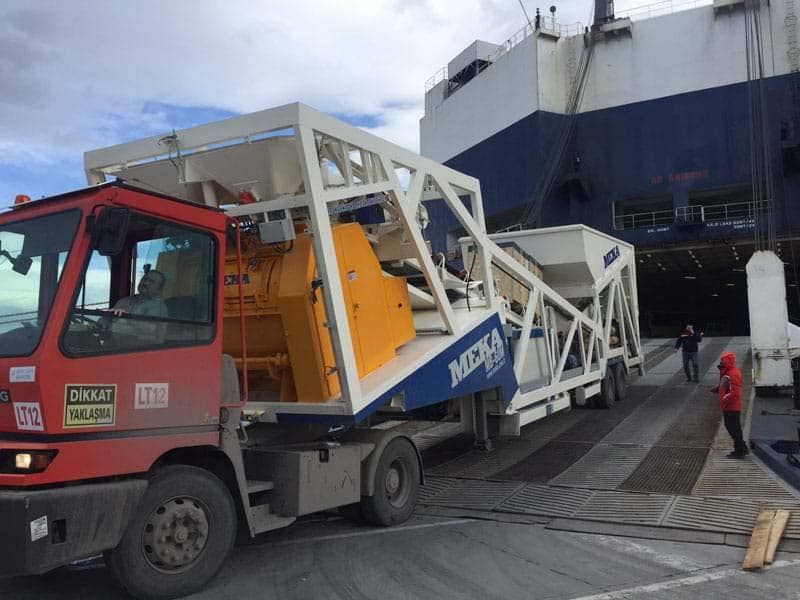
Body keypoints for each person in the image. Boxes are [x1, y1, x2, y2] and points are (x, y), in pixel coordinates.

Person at [107, 269, 168, 345]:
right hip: (113, 346)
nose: (145, 283)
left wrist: (126, 317)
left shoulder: (158, 307)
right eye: (145, 279)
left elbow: (150, 330)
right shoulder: (124, 301)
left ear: (158, 290)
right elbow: (105, 324)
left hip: (142, 350)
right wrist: (107, 317)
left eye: (151, 282)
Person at [712, 351, 748, 459]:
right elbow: (726, 385)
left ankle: (739, 451)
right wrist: (718, 389)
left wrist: (724, 399)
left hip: (731, 407)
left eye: (723, 361)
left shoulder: (732, 374)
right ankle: (742, 448)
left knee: (733, 429)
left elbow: (735, 393)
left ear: (727, 361)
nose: (721, 363)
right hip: (730, 406)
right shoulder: (729, 372)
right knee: (734, 429)